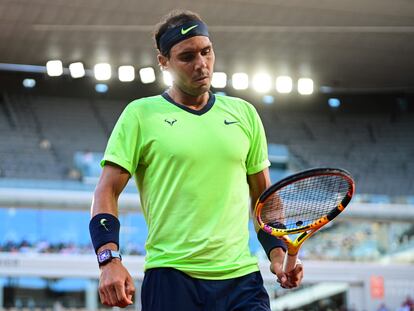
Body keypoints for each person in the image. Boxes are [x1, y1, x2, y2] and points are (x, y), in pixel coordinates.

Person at [89, 9, 304, 310]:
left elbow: (263, 198)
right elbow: (106, 191)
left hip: (241, 279)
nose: (201, 64)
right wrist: (108, 259)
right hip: (172, 277)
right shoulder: (140, 115)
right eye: (187, 57)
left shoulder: (244, 114)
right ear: (163, 61)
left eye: (206, 51)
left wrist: (278, 255)